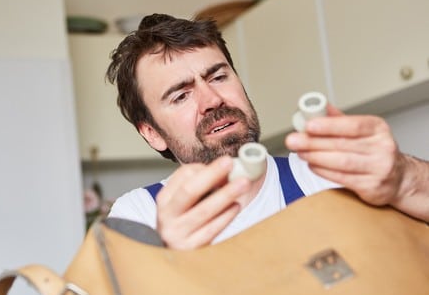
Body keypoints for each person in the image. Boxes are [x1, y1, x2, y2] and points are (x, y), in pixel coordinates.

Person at [105, 13, 429, 250]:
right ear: (151, 133)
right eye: (181, 95)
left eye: (218, 77)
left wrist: (405, 177)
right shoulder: (141, 215)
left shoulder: (323, 174)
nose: (212, 100)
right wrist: (167, 266)